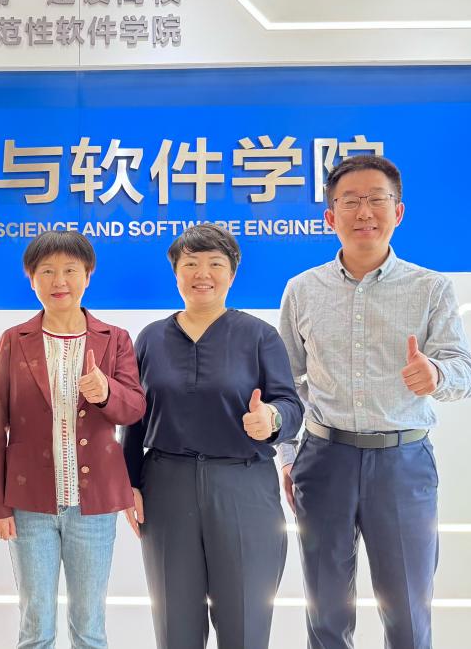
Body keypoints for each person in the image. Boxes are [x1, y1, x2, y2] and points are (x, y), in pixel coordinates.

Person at [278, 154, 471, 649]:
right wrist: (288, 454)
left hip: (403, 462)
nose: (364, 212)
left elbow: (465, 371)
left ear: (398, 211)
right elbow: (287, 381)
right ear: (330, 217)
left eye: (376, 199)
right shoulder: (301, 290)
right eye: (350, 201)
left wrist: (435, 374)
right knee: (325, 608)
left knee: (408, 609)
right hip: (324, 460)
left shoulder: (431, 288)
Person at [122, 223, 302, 649]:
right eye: (191, 264)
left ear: (232, 274)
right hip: (166, 486)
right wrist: (128, 483)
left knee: (245, 622)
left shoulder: (259, 336)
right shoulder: (150, 338)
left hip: (243, 486)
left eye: (215, 264)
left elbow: (291, 406)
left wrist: (271, 418)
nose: (202, 274)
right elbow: (133, 417)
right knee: (175, 625)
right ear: (176, 273)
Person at [0, 230, 145, 649]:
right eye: (47, 271)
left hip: (94, 506)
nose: (60, 281)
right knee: (35, 625)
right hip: (28, 504)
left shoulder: (115, 339)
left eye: (70, 270)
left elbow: (134, 408)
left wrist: (105, 392)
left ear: (87, 275)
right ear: (31, 279)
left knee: (89, 626)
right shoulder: (14, 340)